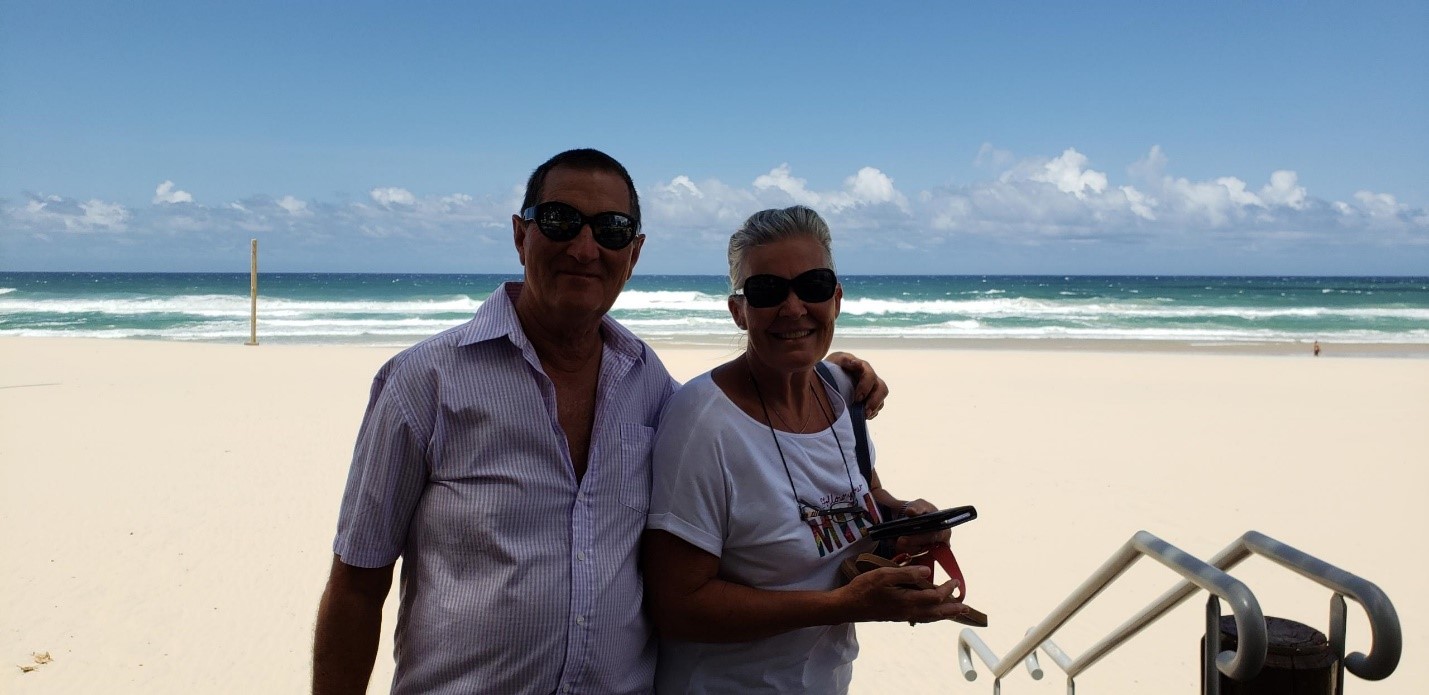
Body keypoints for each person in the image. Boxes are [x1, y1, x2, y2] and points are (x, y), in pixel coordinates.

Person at [311, 149, 888, 695]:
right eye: (560, 221)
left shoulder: (648, 383)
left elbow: (745, 418)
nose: (585, 248)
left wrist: (822, 368)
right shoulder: (424, 382)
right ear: (521, 235)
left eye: (611, 230)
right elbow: (357, 584)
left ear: (632, 254)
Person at [641, 206, 975, 694]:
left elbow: (863, 499)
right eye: (767, 290)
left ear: (836, 299)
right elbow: (677, 606)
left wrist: (905, 521)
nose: (793, 308)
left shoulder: (843, 390)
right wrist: (846, 605)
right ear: (739, 311)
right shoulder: (702, 425)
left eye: (813, 286)